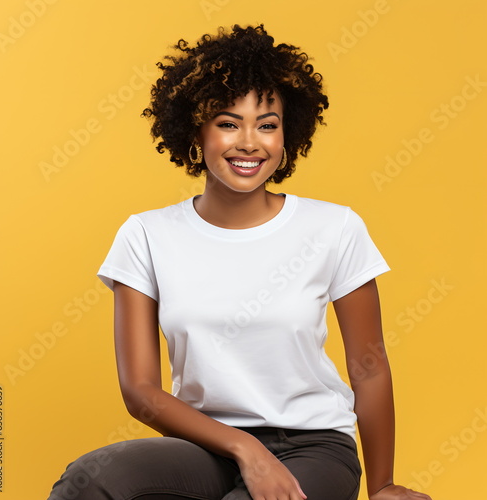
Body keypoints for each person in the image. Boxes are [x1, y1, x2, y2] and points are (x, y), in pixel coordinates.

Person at [47, 24, 432, 500]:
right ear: (196, 130)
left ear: (287, 136)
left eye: (267, 125)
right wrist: (246, 448)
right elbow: (141, 391)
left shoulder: (334, 228)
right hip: (203, 444)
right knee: (87, 483)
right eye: (228, 123)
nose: (249, 142)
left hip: (312, 448)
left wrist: (384, 485)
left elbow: (369, 367)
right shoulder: (146, 235)